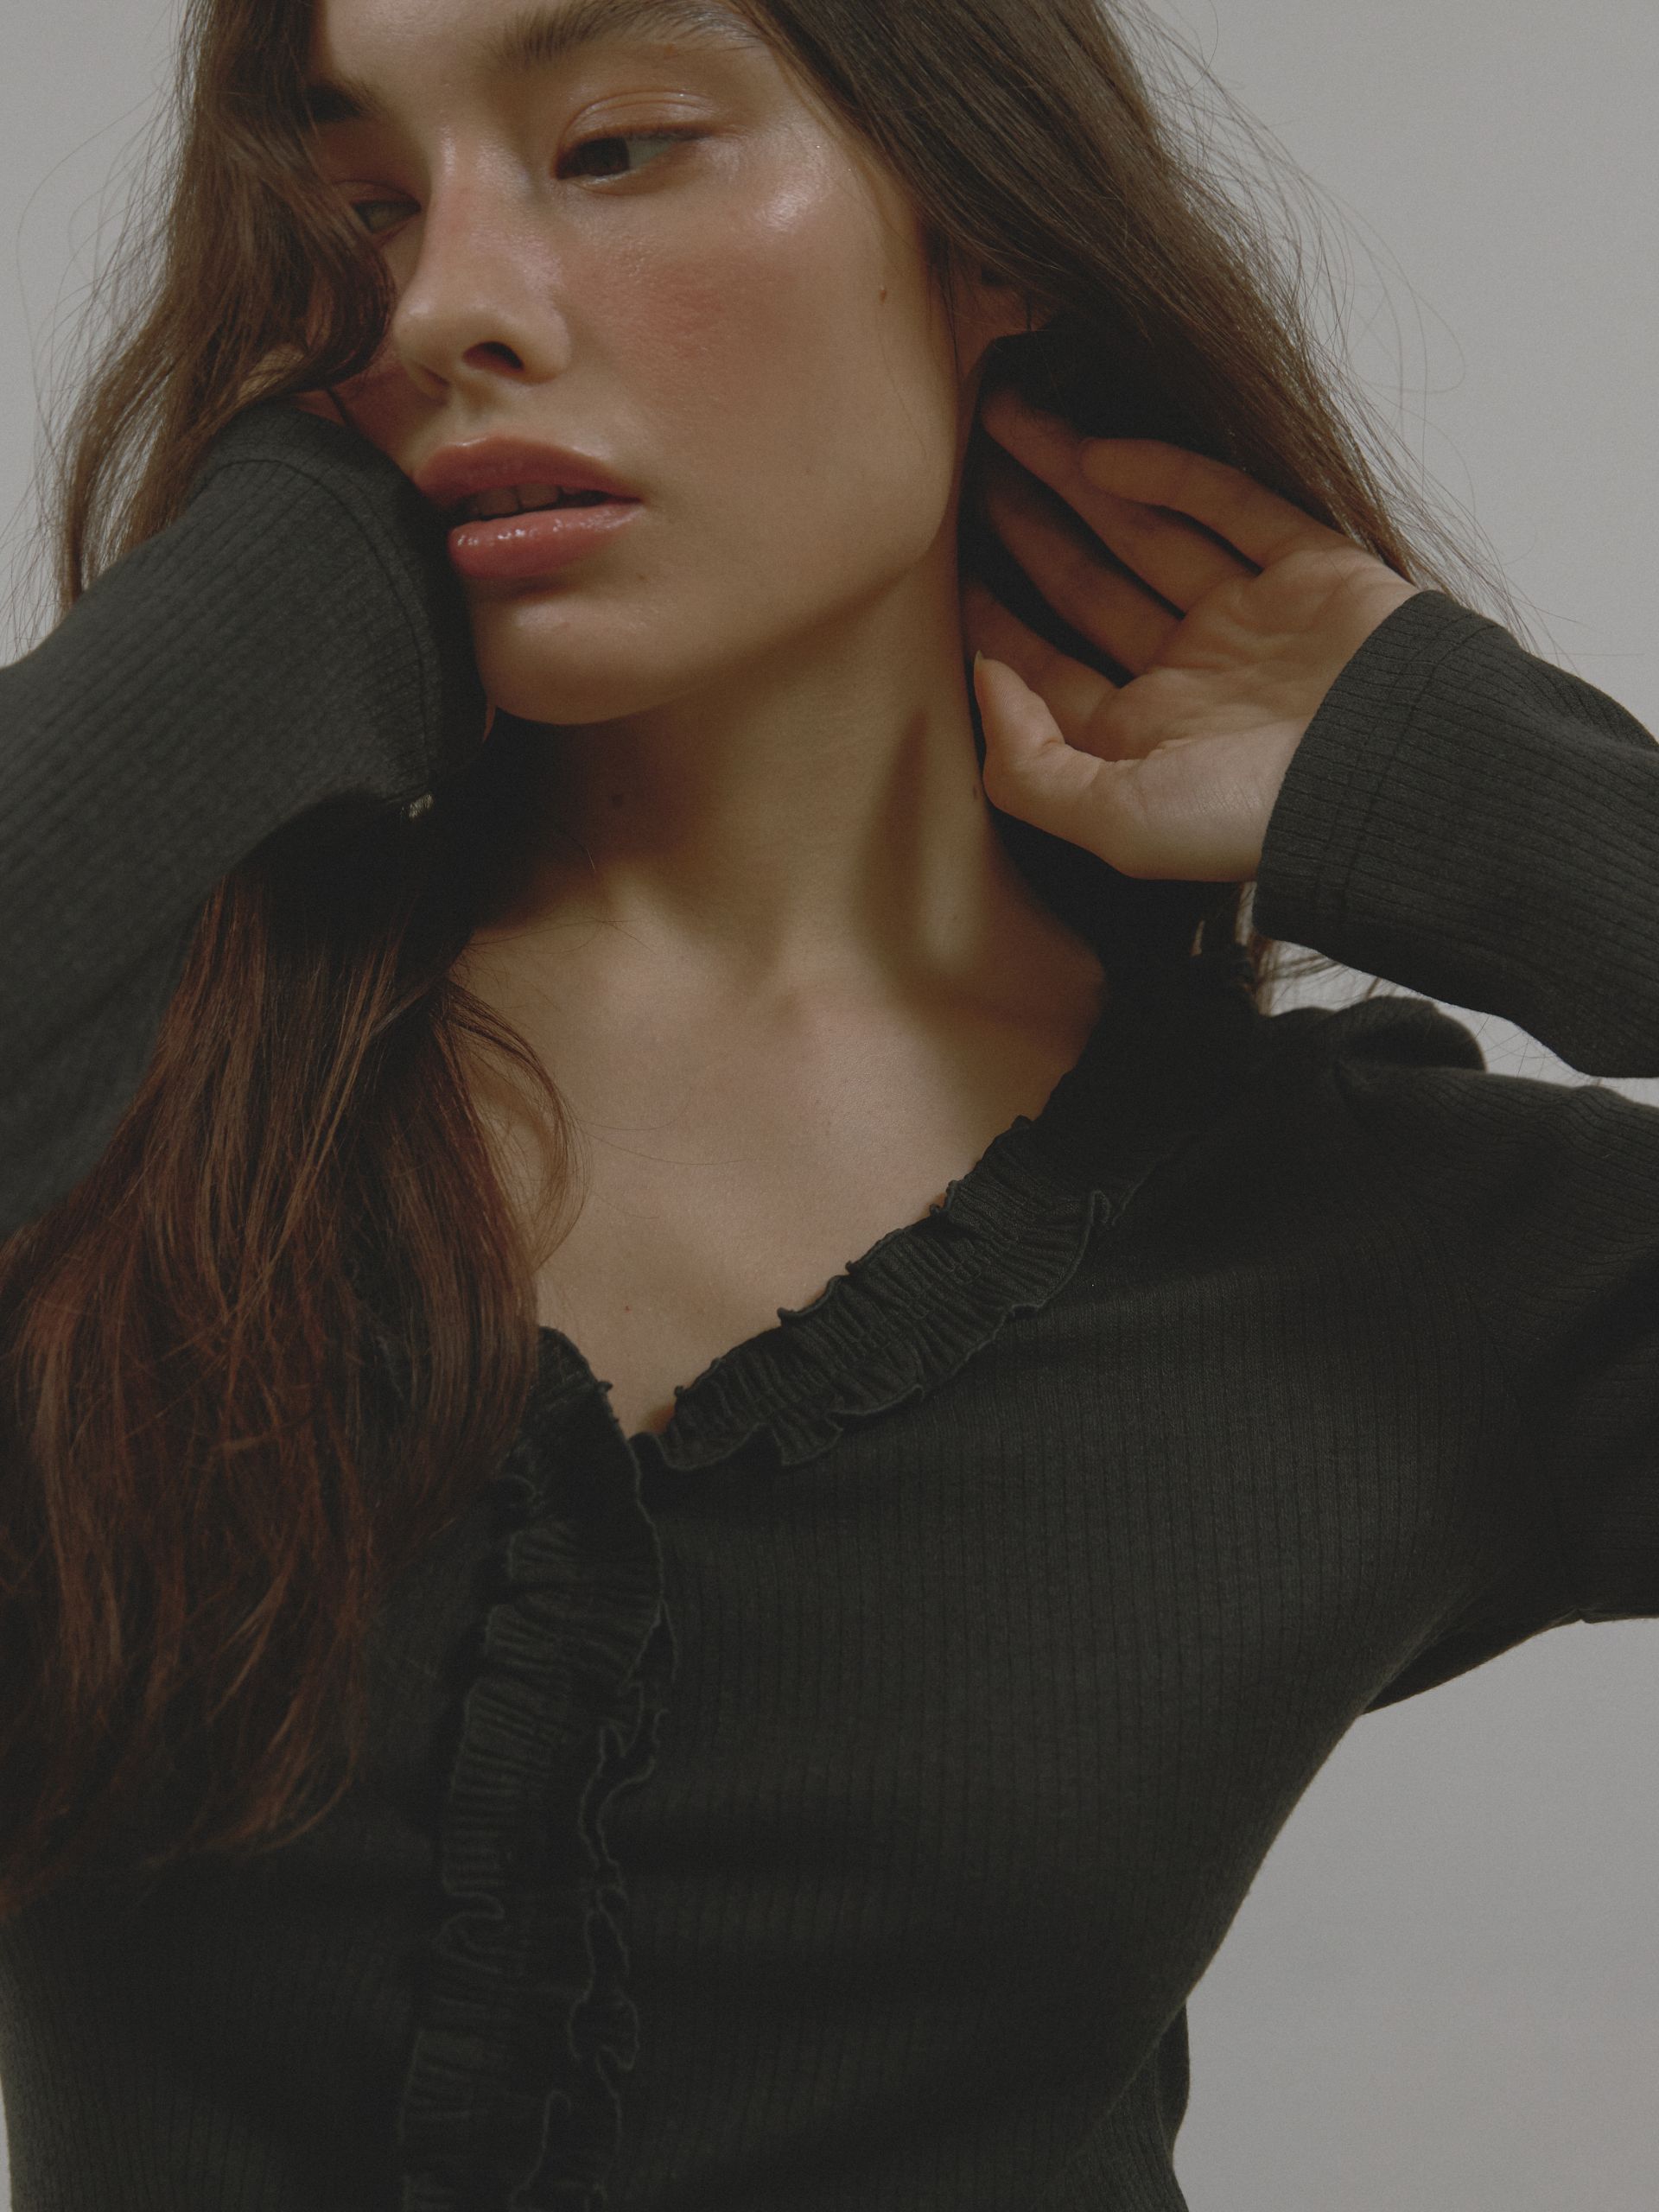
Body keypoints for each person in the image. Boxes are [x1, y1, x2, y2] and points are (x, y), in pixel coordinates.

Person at [0, 0, 1654, 2205]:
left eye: (616, 147)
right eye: (358, 207)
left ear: (990, 224)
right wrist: (268, 604)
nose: (443, 303)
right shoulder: (118, 1105)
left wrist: (1485, 800)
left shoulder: (1375, 1234)